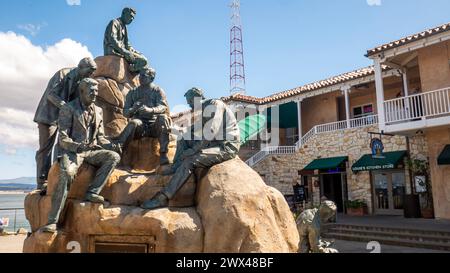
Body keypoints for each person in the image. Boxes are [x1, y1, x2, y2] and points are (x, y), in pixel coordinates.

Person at [40, 78, 121, 233]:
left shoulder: (98, 110)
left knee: (113, 157)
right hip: (72, 151)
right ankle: (52, 221)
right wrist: (78, 146)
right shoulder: (68, 108)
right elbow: (63, 138)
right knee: (67, 173)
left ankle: (92, 192)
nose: (95, 94)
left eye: (96, 91)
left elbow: (100, 137)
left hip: (91, 151)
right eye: (92, 91)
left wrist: (111, 145)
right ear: (82, 91)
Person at [141, 87, 240, 210]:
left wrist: (193, 150)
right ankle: (176, 166)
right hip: (214, 144)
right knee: (183, 137)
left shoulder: (215, 104)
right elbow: (193, 129)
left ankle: (163, 197)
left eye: (191, 103)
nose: (190, 107)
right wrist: (174, 130)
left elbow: (211, 131)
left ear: (197, 98)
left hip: (226, 146)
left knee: (190, 160)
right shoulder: (205, 109)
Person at [33, 57, 97, 191]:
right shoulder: (63, 74)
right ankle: (42, 181)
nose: (90, 75)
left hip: (66, 117)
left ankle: (56, 178)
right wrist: (66, 107)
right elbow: (51, 95)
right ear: (81, 67)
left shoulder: (82, 82)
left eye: (92, 72)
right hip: (48, 115)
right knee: (45, 148)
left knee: (63, 144)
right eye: (89, 71)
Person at [115, 67, 171, 165]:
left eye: (143, 76)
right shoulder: (133, 92)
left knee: (163, 118)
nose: (140, 78)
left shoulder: (157, 90)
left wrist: (150, 110)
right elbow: (125, 113)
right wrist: (133, 109)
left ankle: (163, 154)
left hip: (154, 126)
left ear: (151, 78)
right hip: (140, 126)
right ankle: (118, 150)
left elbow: (163, 107)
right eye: (140, 75)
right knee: (133, 123)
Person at [104, 7, 148, 73]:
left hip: (122, 51)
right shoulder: (114, 22)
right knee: (143, 61)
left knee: (144, 63)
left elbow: (127, 45)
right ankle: (131, 70)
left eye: (133, 18)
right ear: (123, 13)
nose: (132, 19)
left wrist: (136, 52)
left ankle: (132, 71)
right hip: (113, 51)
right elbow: (112, 39)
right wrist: (125, 52)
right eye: (130, 16)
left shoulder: (124, 27)